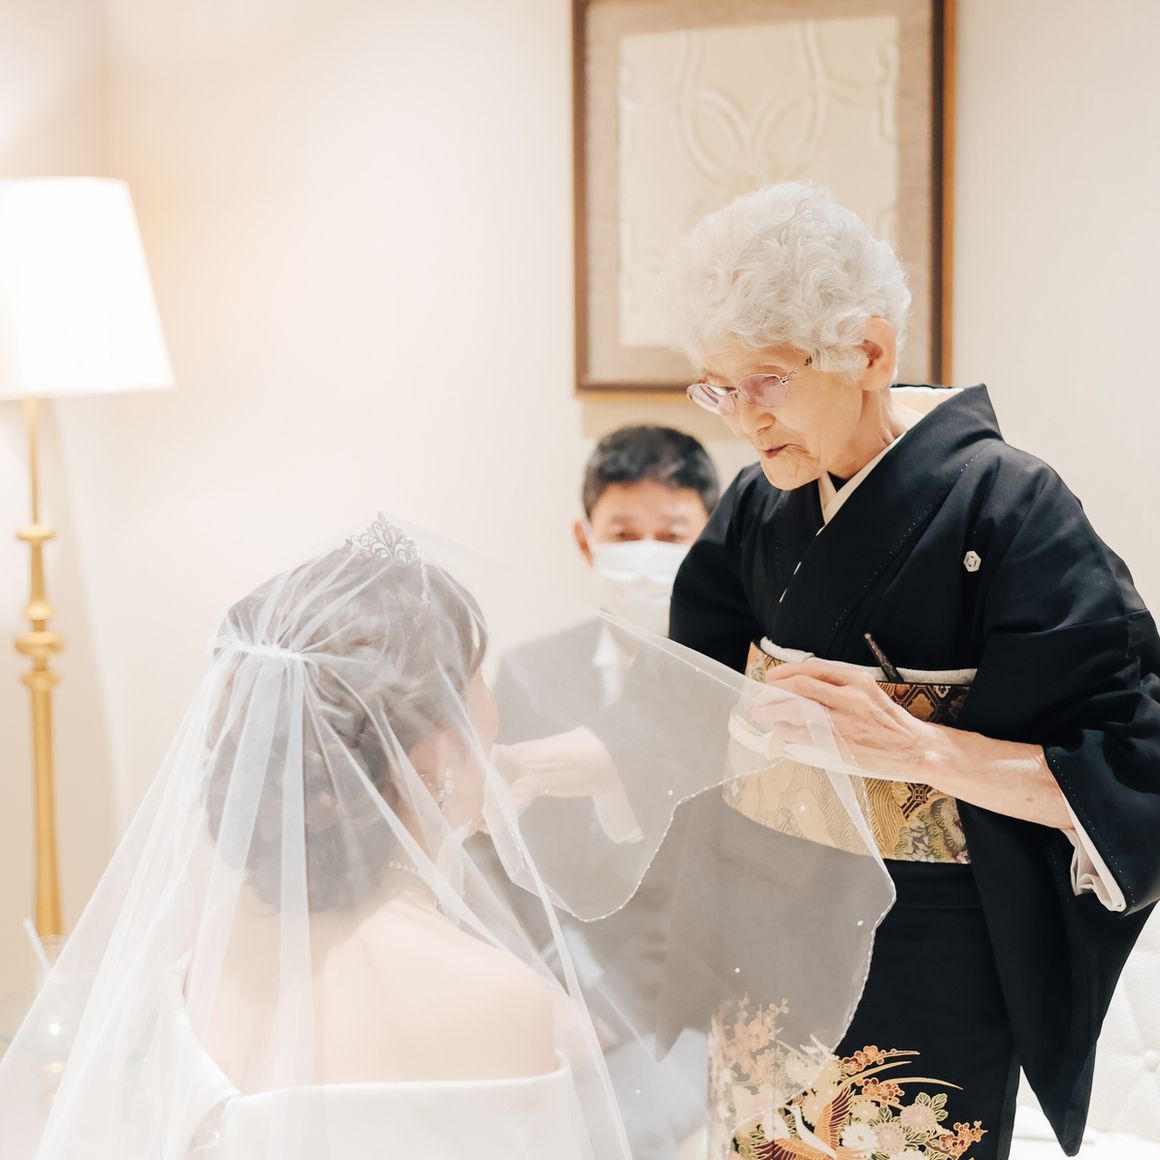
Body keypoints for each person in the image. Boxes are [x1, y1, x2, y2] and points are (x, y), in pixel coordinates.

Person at [0, 515, 894, 1160]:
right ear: (428, 750)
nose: (491, 706)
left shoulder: (211, 946)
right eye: (474, 678)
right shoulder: (493, 999)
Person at [664, 181, 1160, 1158]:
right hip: (763, 933)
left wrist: (920, 750)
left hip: (927, 945)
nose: (742, 419)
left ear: (869, 351)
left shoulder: (1011, 508)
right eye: (718, 388)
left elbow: (1136, 764)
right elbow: (688, 692)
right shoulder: (760, 503)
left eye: (765, 381)